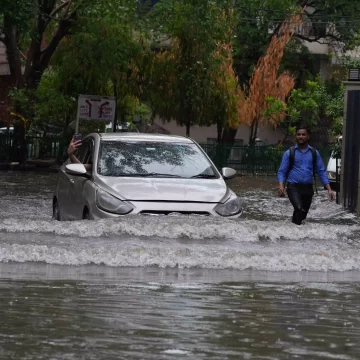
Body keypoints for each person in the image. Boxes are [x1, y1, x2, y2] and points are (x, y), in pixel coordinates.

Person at [277, 125, 335, 225]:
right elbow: (282, 171)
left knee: (302, 215)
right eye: (298, 134)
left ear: (308, 137)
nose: (301, 136)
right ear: (296, 136)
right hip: (293, 187)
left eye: (303, 134)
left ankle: (292, 231)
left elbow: (321, 171)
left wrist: (329, 189)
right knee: (299, 209)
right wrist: (281, 186)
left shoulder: (314, 153)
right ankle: (294, 232)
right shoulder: (289, 153)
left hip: (308, 188)